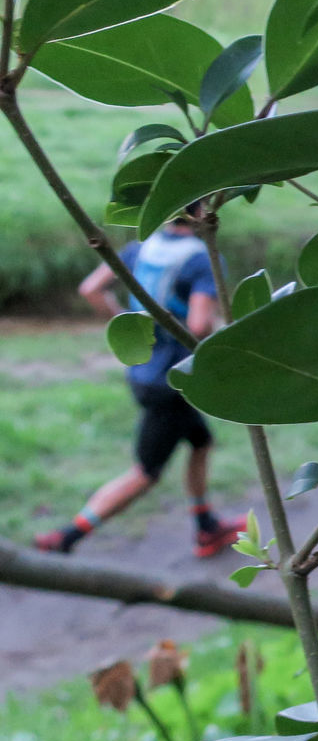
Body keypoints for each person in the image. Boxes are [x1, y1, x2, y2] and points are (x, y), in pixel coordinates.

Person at [35, 206, 246, 557]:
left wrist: (130, 326)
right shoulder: (201, 259)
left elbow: (91, 288)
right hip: (174, 380)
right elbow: (197, 326)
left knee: (200, 441)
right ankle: (67, 536)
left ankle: (206, 526)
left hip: (144, 370)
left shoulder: (142, 247)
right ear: (203, 211)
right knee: (146, 472)